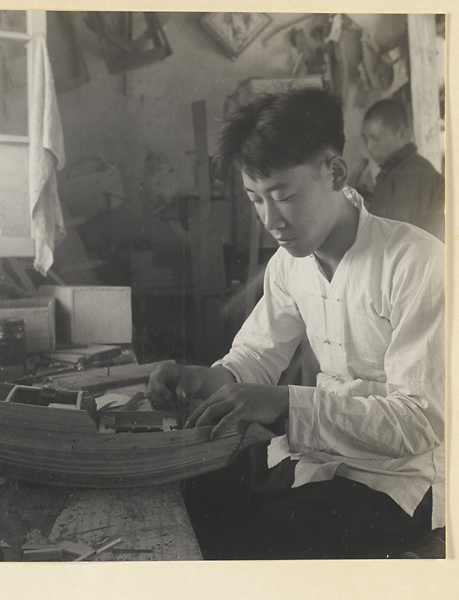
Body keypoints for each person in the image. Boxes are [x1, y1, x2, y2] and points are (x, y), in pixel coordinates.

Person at [146, 88, 444, 560]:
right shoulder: (290, 265)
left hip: (401, 480)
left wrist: (285, 406)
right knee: (193, 497)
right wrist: (199, 379)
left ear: (336, 173)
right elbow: (256, 358)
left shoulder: (415, 262)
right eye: (255, 199)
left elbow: (417, 421)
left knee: (255, 546)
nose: (270, 220)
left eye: (283, 197)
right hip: (321, 458)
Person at [361, 98, 445, 241]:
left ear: (402, 134)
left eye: (374, 138)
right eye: (365, 139)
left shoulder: (414, 172)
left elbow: (404, 239)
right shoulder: (393, 172)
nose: (369, 146)